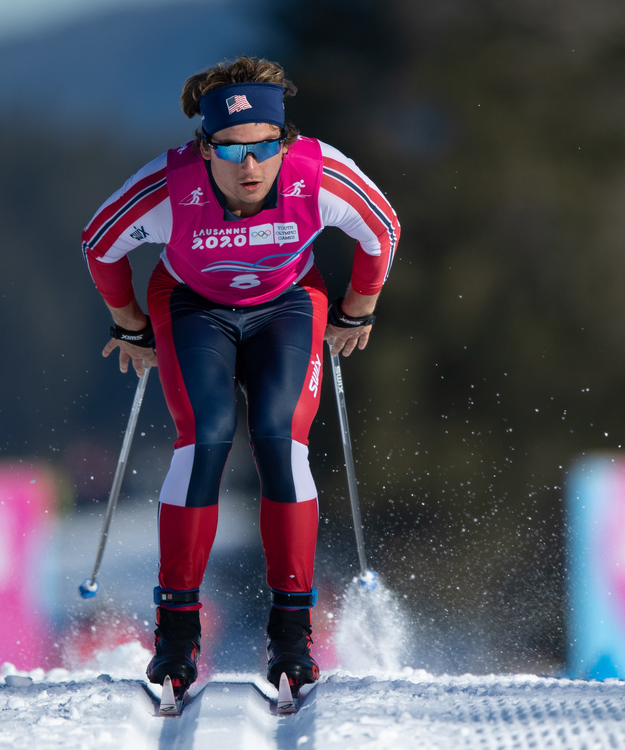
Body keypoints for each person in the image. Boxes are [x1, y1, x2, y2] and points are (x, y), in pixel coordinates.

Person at [80, 56, 399, 695]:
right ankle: (175, 636)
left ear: (285, 140)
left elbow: (382, 230)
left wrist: (357, 310)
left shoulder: (320, 174)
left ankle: (291, 634)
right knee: (207, 435)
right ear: (205, 148)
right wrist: (131, 324)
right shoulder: (168, 190)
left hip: (287, 304)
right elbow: (100, 244)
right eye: (230, 149)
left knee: (281, 437)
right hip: (195, 305)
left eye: (264, 148)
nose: (249, 167)